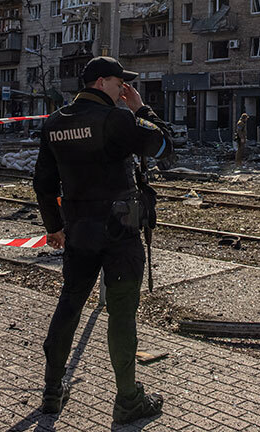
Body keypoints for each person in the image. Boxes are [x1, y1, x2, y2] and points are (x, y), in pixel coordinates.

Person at [33, 55, 172, 424]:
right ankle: (128, 399)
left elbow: (43, 183)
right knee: (122, 314)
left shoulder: (54, 123)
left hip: (79, 231)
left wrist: (53, 227)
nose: (123, 89)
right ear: (100, 83)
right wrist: (142, 109)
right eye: (118, 82)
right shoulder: (117, 118)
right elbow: (163, 148)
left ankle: (51, 391)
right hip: (120, 233)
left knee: (69, 304)